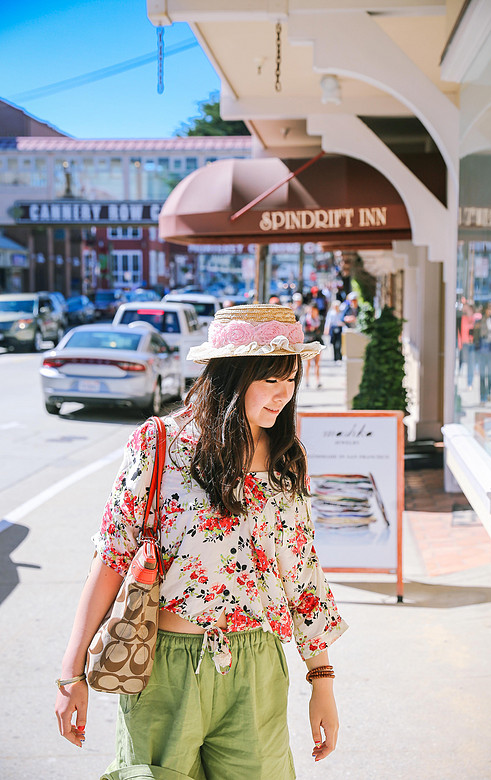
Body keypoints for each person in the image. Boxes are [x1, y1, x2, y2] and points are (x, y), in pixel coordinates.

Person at [55, 304, 348, 780]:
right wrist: (71, 673)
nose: (283, 394)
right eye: (270, 379)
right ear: (233, 375)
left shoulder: (286, 456)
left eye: (290, 378)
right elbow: (111, 557)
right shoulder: (159, 445)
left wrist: (322, 680)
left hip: (255, 666)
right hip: (161, 665)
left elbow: (302, 575)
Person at [475, 301, 491, 403]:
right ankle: (482, 396)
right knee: (482, 375)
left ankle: (488, 393)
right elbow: (479, 332)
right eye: (488, 308)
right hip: (482, 348)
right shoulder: (481, 319)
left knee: (490, 374)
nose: (490, 311)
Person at [303, 302, 325, 388]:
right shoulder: (305, 319)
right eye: (311, 310)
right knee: (308, 363)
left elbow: (321, 332)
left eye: (313, 310)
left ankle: (318, 381)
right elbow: (304, 331)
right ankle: (307, 381)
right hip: (308, 343)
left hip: (318, 342)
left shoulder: (320, 319)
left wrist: (313, 330)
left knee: (317, 363)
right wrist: (314, 331)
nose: (312, 312)